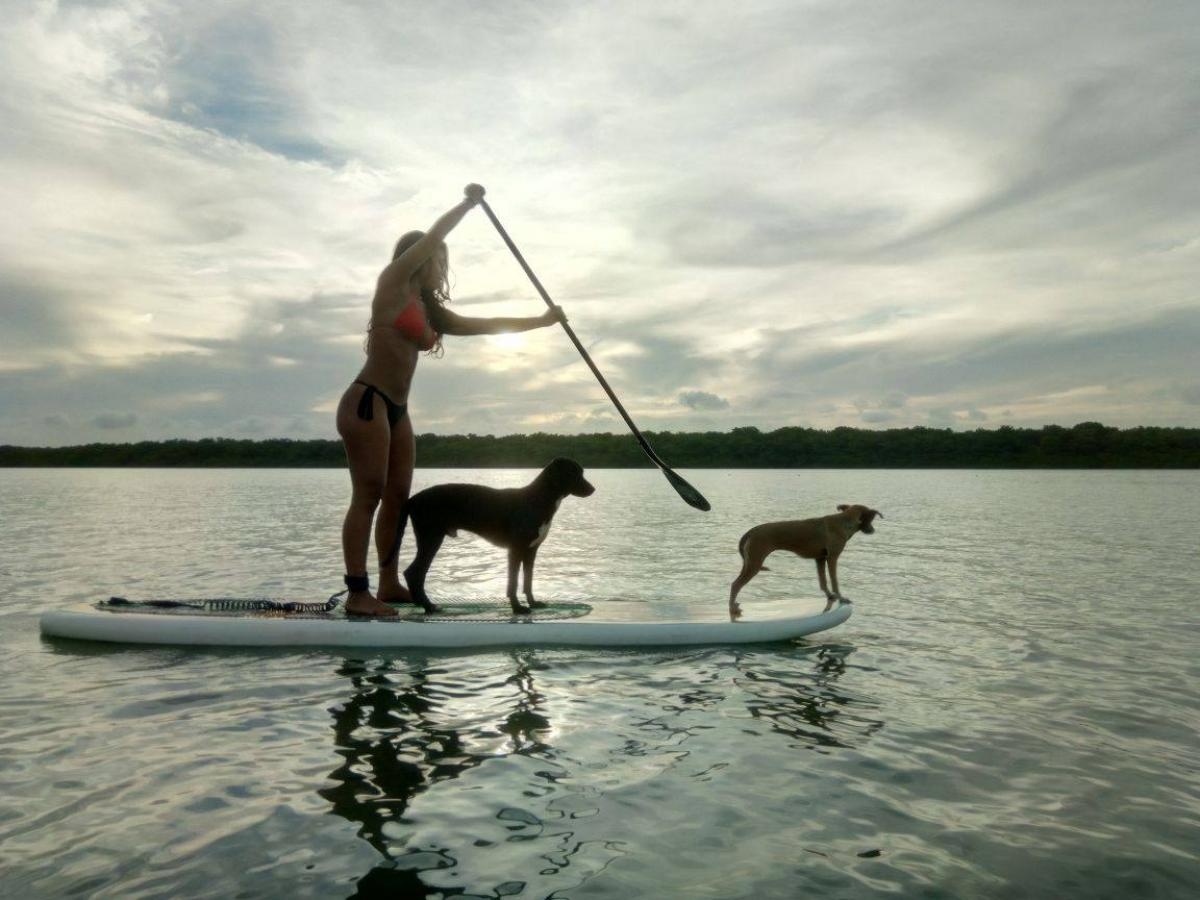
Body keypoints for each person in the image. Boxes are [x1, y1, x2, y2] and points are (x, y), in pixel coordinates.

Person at [336, 184, 565, 616]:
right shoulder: (392, 285)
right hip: (367, 402)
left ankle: (387, 584)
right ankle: (356, 593)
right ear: (420, 259)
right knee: (367, 495)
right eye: (438, 259)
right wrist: (468, 204)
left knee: (397, 499)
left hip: (398, 411)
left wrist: (541, 322)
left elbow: (485, 324)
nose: (442, 266)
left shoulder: (427, 310)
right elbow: (432, 237)